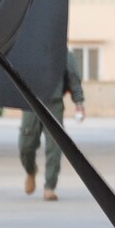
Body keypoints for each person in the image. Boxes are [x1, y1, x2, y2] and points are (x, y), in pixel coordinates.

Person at [18, 51, 86, 201]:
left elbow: (73, 77)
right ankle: (31, 170)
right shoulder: (28, 49)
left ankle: (50, 187)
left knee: (54, 147)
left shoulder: (62, 51)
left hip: (54, 103)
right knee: (25, 146)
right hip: (31, 102)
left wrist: (79, 103)